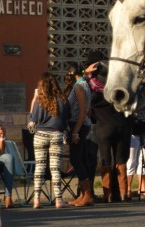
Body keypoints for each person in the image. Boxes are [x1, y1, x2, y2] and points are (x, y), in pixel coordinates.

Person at [87, 58, 132, 203]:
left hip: (103, 129)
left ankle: (108, 194)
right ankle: (124, 193)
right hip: (122, 128)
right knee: (121, 160)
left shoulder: (96, 93)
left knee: (106, 160)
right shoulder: (120, 91)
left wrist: (87, 73)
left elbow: (89, 107)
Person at [27, 72, 69, 208]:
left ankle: (37, 199)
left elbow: (32, 120)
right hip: (57, 135)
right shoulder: (62, 99)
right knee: (55, 168)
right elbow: (66, 119)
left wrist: (34, 99)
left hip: (40, 136)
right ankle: (58, 200)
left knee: (39, 167)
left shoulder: (39, 100)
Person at [64, 62, 95, 206]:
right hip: (81, 124)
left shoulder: (79, 87)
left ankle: (87, 195)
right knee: (80, 159)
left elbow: (83, 111)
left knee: (76, 159)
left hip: (78, 125)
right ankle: (83, 194)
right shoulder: (84, 84)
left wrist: (75, 131)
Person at [126, 102, 145, 200]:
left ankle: (142, 188)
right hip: (132, 132)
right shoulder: (129, 92)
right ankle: (128, 189)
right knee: (131, 161)